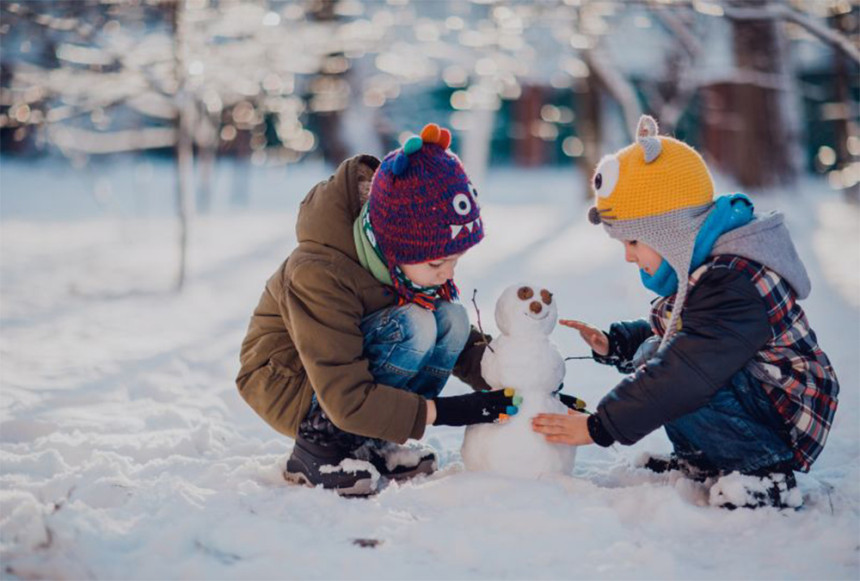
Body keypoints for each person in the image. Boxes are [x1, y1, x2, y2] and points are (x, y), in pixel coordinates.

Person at [532, 115, 839, 509]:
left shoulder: (733, 279)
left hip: (785, 410)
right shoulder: (706, 265)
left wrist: (599, 426)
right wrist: (617, 343)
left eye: (633, 242)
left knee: (675, 371)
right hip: (757, 394)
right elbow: (685, 335)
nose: (628, 256)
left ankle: (763, 472)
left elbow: (689, 366)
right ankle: (707, 461)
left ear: (669, 231)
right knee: (656, 355)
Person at [236, 123, 518, 497]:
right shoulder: (319, 273)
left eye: (456, 260)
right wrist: (452, 410)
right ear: (397, 248)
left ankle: (375, 440)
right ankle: (318, 449)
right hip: (294, 382)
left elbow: (463, 345)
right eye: (437, 264)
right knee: (417, 324)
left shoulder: (400, 265)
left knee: (451, 319)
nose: (448, 273)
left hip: (347, 377)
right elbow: (343, 391)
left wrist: (519, 379)